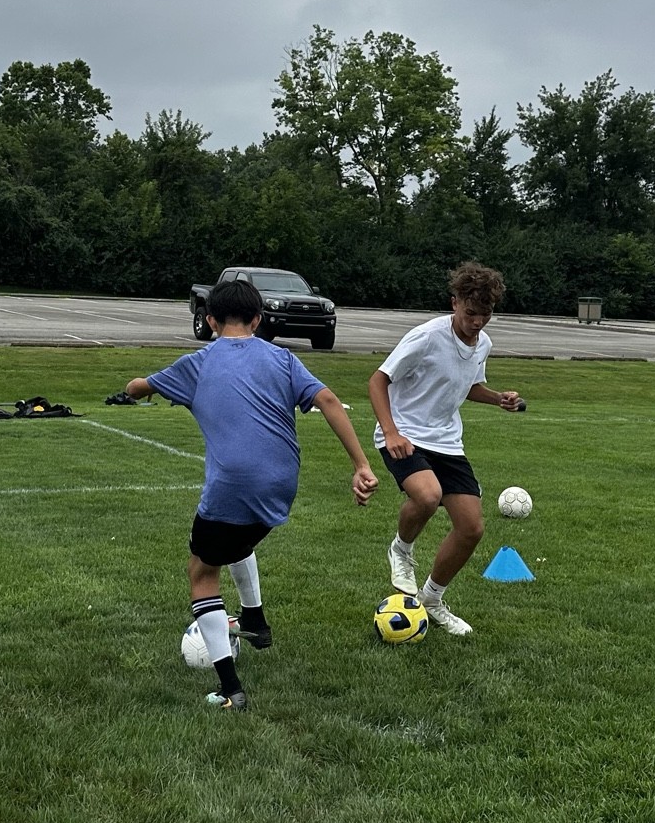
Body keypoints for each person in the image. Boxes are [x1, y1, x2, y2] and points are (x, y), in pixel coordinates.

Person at [126, 279, 378, 711]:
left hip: (233, 484)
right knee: (237, 538)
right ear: (259, 320)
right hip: (282, 484)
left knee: (202, 571)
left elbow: (137, 388)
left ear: (209, 321)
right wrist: (361, 465)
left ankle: (230, 690)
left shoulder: (198, 363)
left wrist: (135, 388)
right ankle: (256, 621)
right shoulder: (282, 358)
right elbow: (331, 400)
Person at [367, 262, 521, 636]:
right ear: (455, 303)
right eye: (470, 313)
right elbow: (378, 380)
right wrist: (390, 433)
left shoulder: (482, 343)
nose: (477, 322)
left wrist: (498, 398)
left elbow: (468, 386)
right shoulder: (426, 337)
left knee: (471, 528)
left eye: (485, 315)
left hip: (447, 441)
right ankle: (401, 550)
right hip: (404, 435)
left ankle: (432, 599)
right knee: (428, 496)